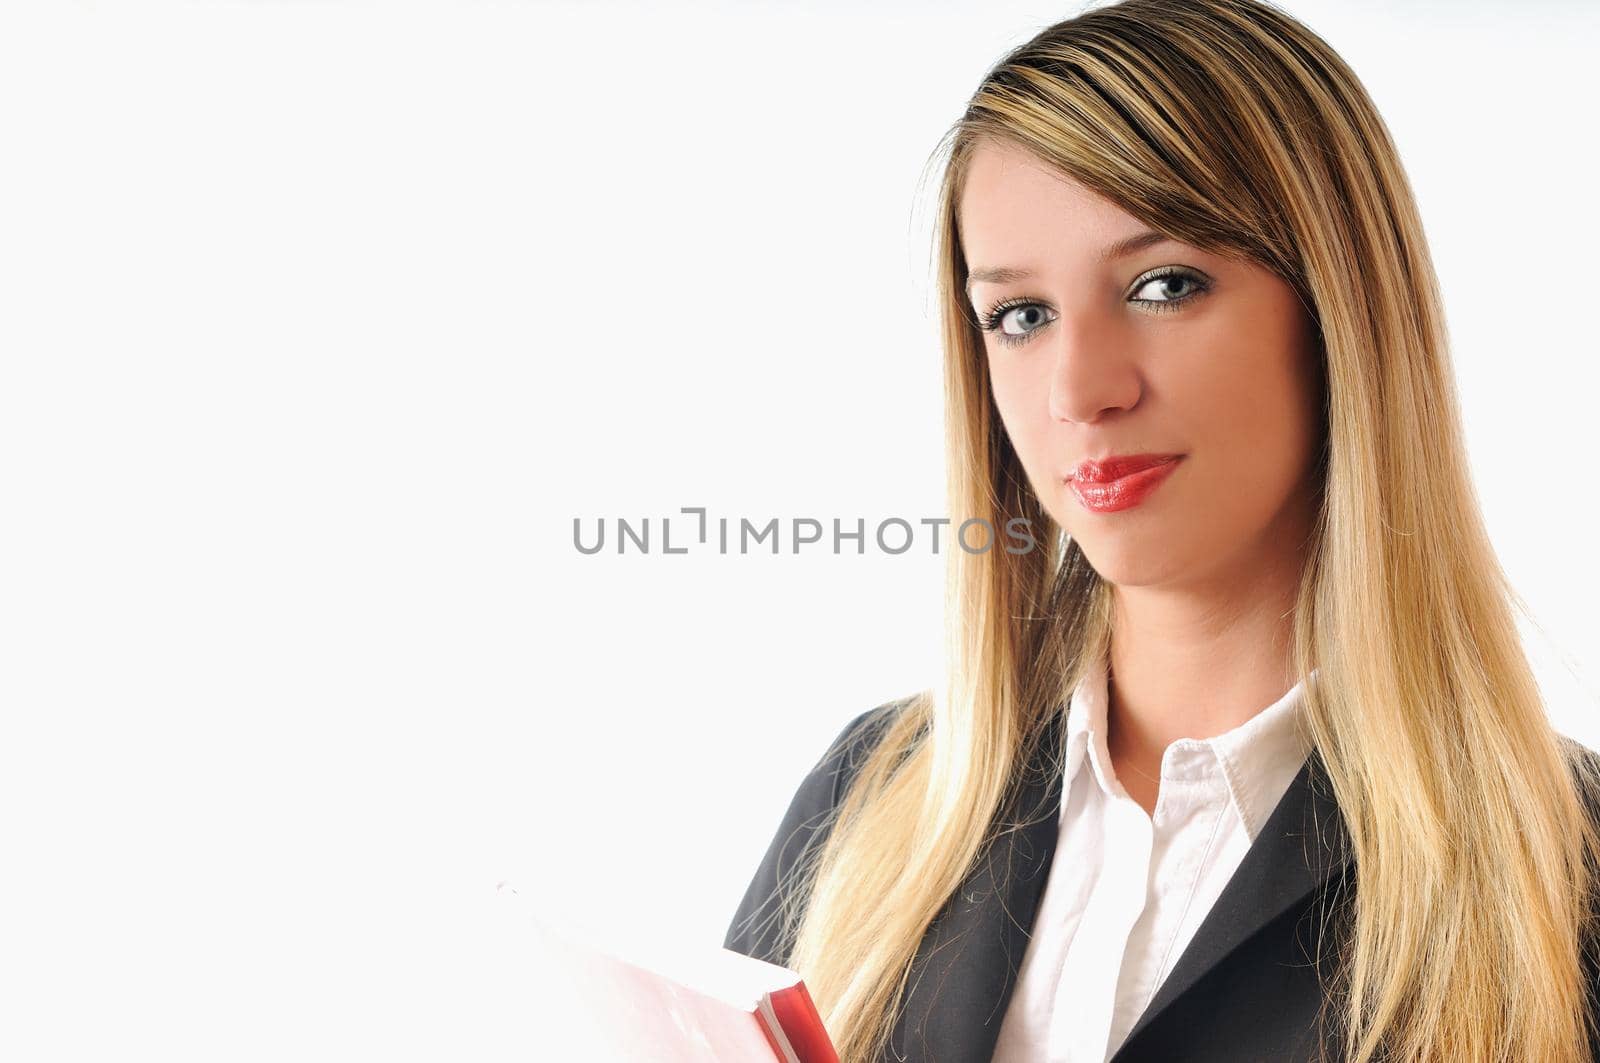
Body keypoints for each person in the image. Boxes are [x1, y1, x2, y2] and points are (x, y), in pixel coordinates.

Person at [723, 0, 1600, 1061]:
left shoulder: (1566, 870)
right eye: (1021, 316)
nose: (1080, 391)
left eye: (1163, 285)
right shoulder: (867, 797)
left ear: (1336, 309)